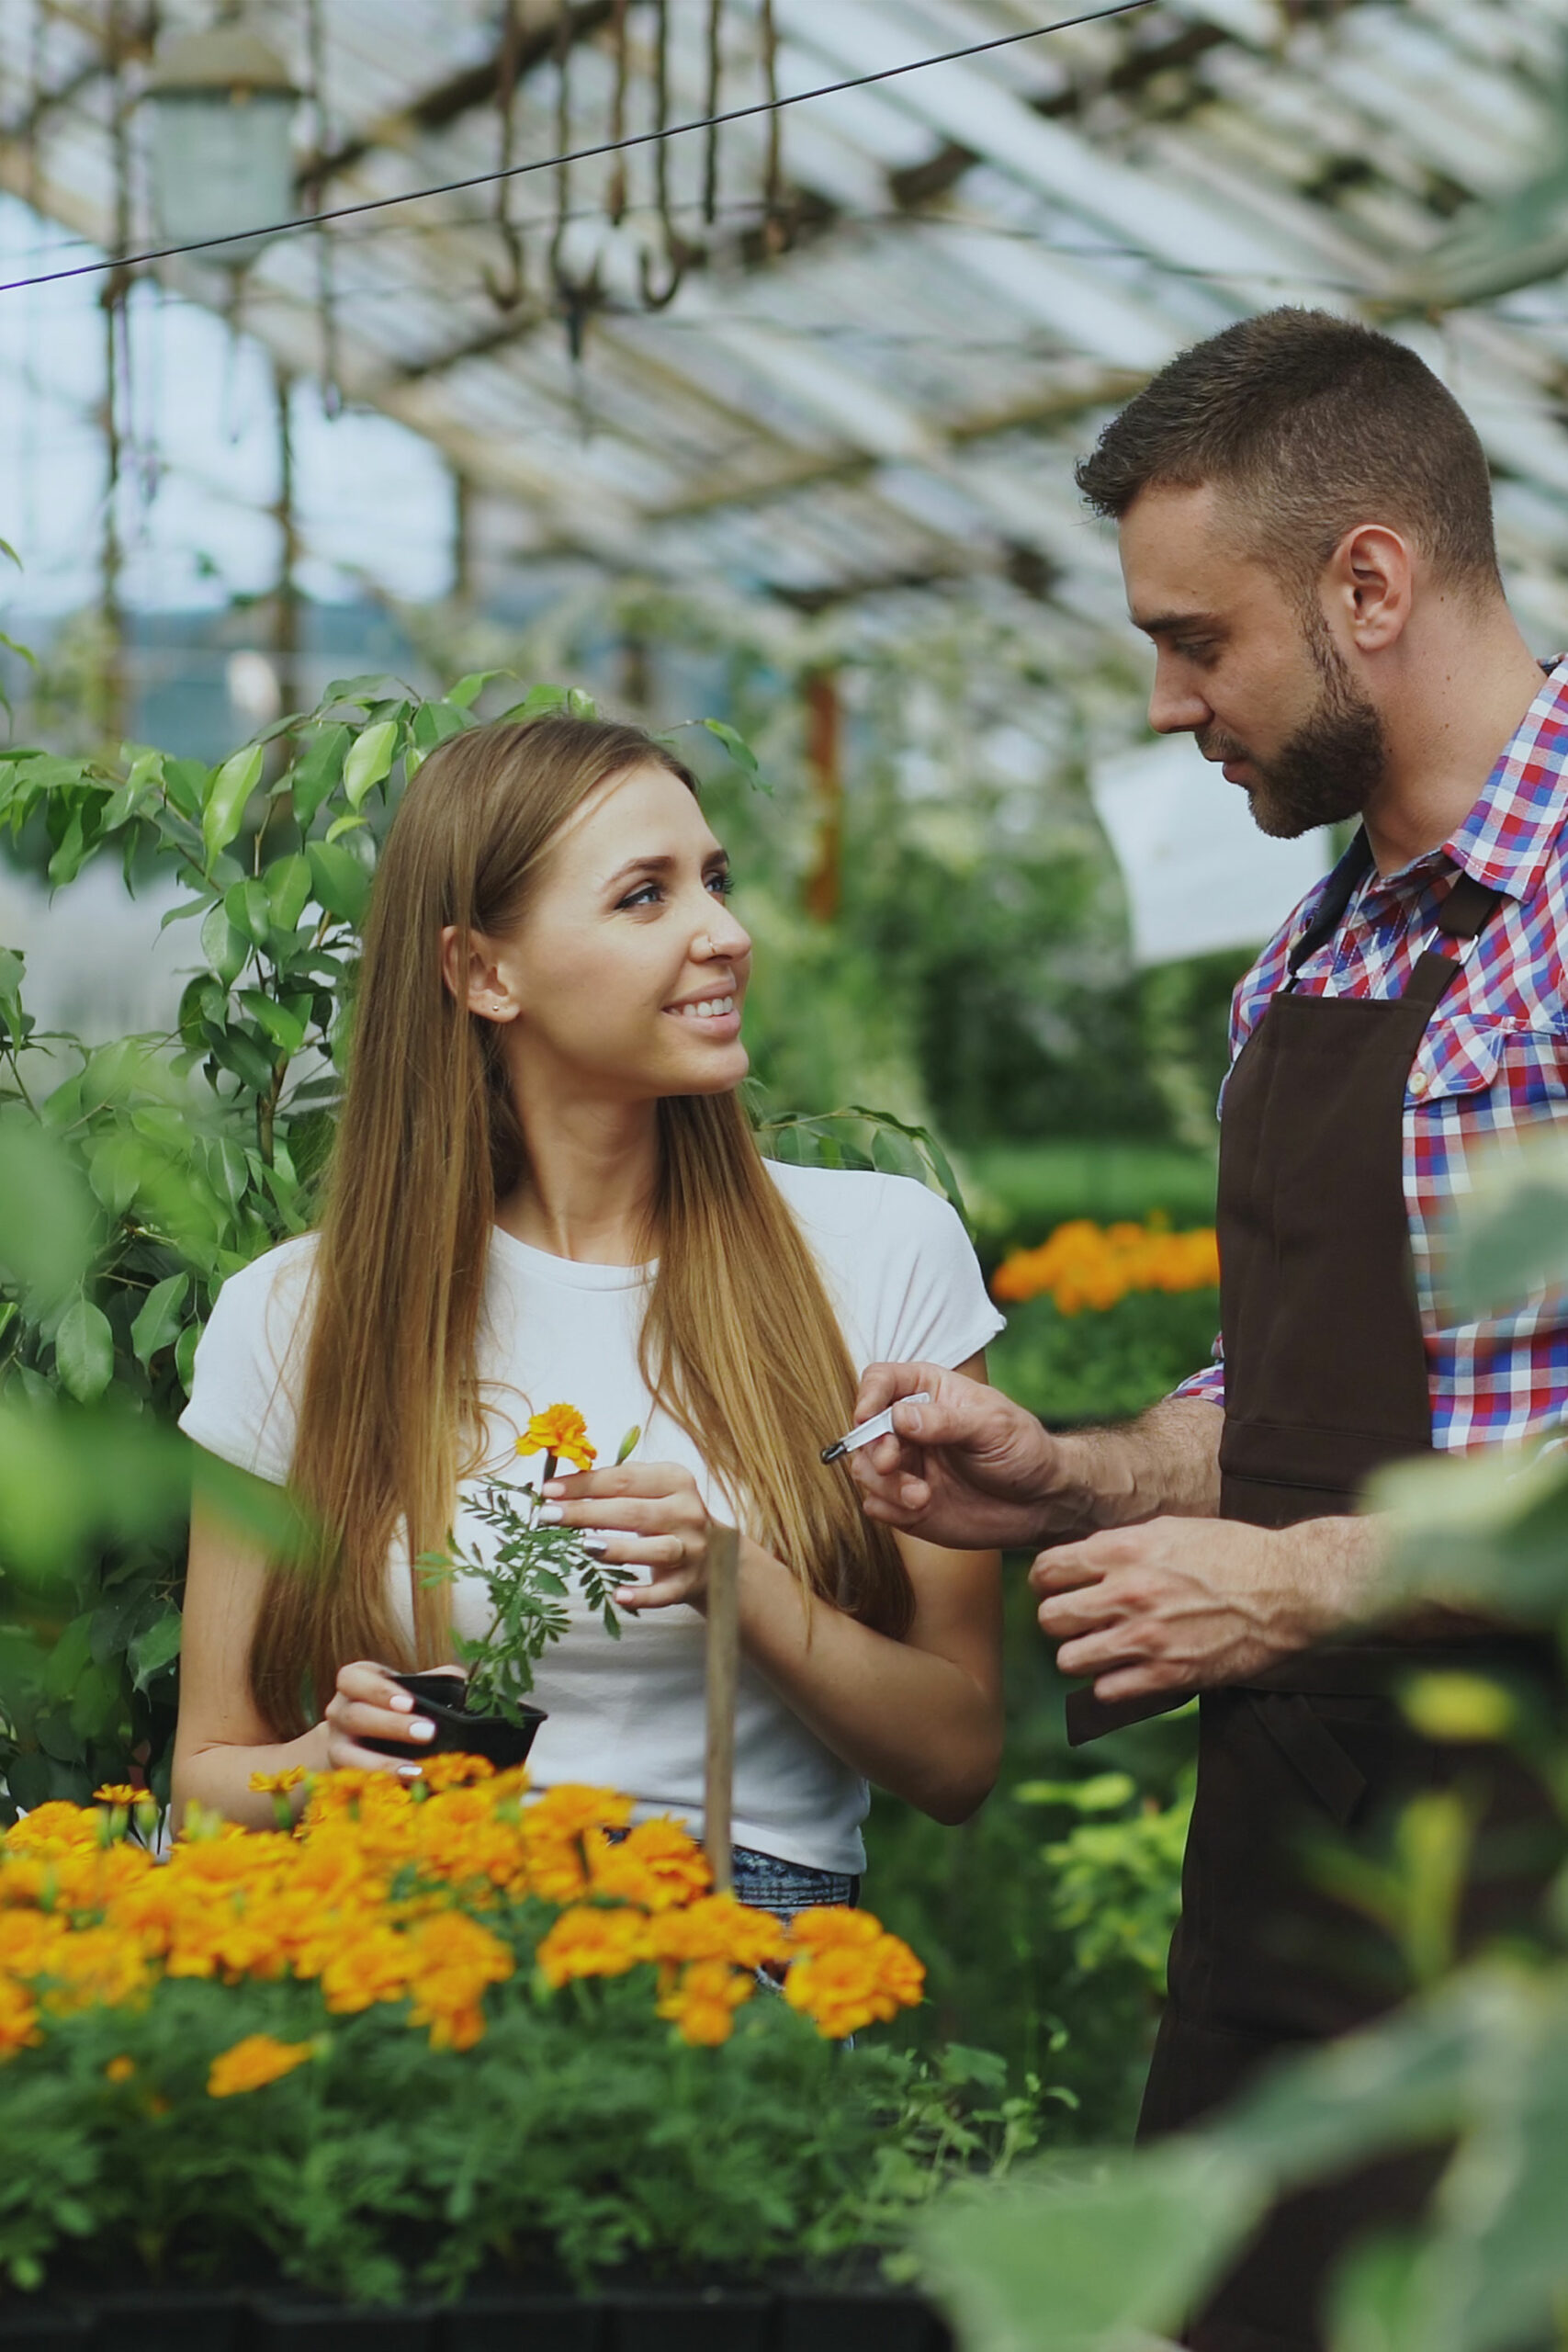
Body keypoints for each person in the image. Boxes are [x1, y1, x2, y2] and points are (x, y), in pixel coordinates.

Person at [847, 310, 1568, 2349]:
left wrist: (1298, 1584)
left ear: (1367, 582)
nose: (1166, 703)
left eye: (1194, 638)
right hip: (1306, 1882)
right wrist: (1074, 1470)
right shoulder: (1318, 941)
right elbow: (1316, 1378)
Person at [173, 715, 1004, 1917]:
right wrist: (327, 1766)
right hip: (418, 1929)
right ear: (482, 973)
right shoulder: (302, 1315)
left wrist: (742, 1587)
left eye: (714, 882)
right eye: (645, 898)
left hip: (744, 1935)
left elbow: (960, 1757)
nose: (726, 935)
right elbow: (208, 1782)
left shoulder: (880, 1251)